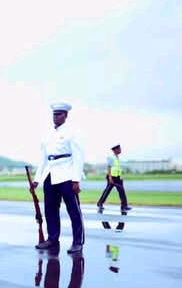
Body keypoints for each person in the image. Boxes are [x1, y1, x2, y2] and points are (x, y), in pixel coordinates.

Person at [31, 102, 85, 254]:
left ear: (66, 115)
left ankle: (77, 241)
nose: (56, 117)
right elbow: (43, 158)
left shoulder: (72, 132)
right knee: (50, 208)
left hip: (67, 173)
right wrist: (37, 179)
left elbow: (78, 156)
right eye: (54, 114)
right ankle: (52, 238)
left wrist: (76, 179)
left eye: (59, 114)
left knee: (73, 210)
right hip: (50, 173)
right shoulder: (47, 135)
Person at [97, 144, 132, 213]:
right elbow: (109, 167)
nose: (120, 150)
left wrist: (120, 176)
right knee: (107, 191)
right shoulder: (111, 157)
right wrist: (110, 177)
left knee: (122, 191)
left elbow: (117, 168)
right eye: (119, 149)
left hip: (118, 177)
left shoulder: (118, 158)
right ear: (115, 150)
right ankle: (100, 203)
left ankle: (124, 206)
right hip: (112, 177)